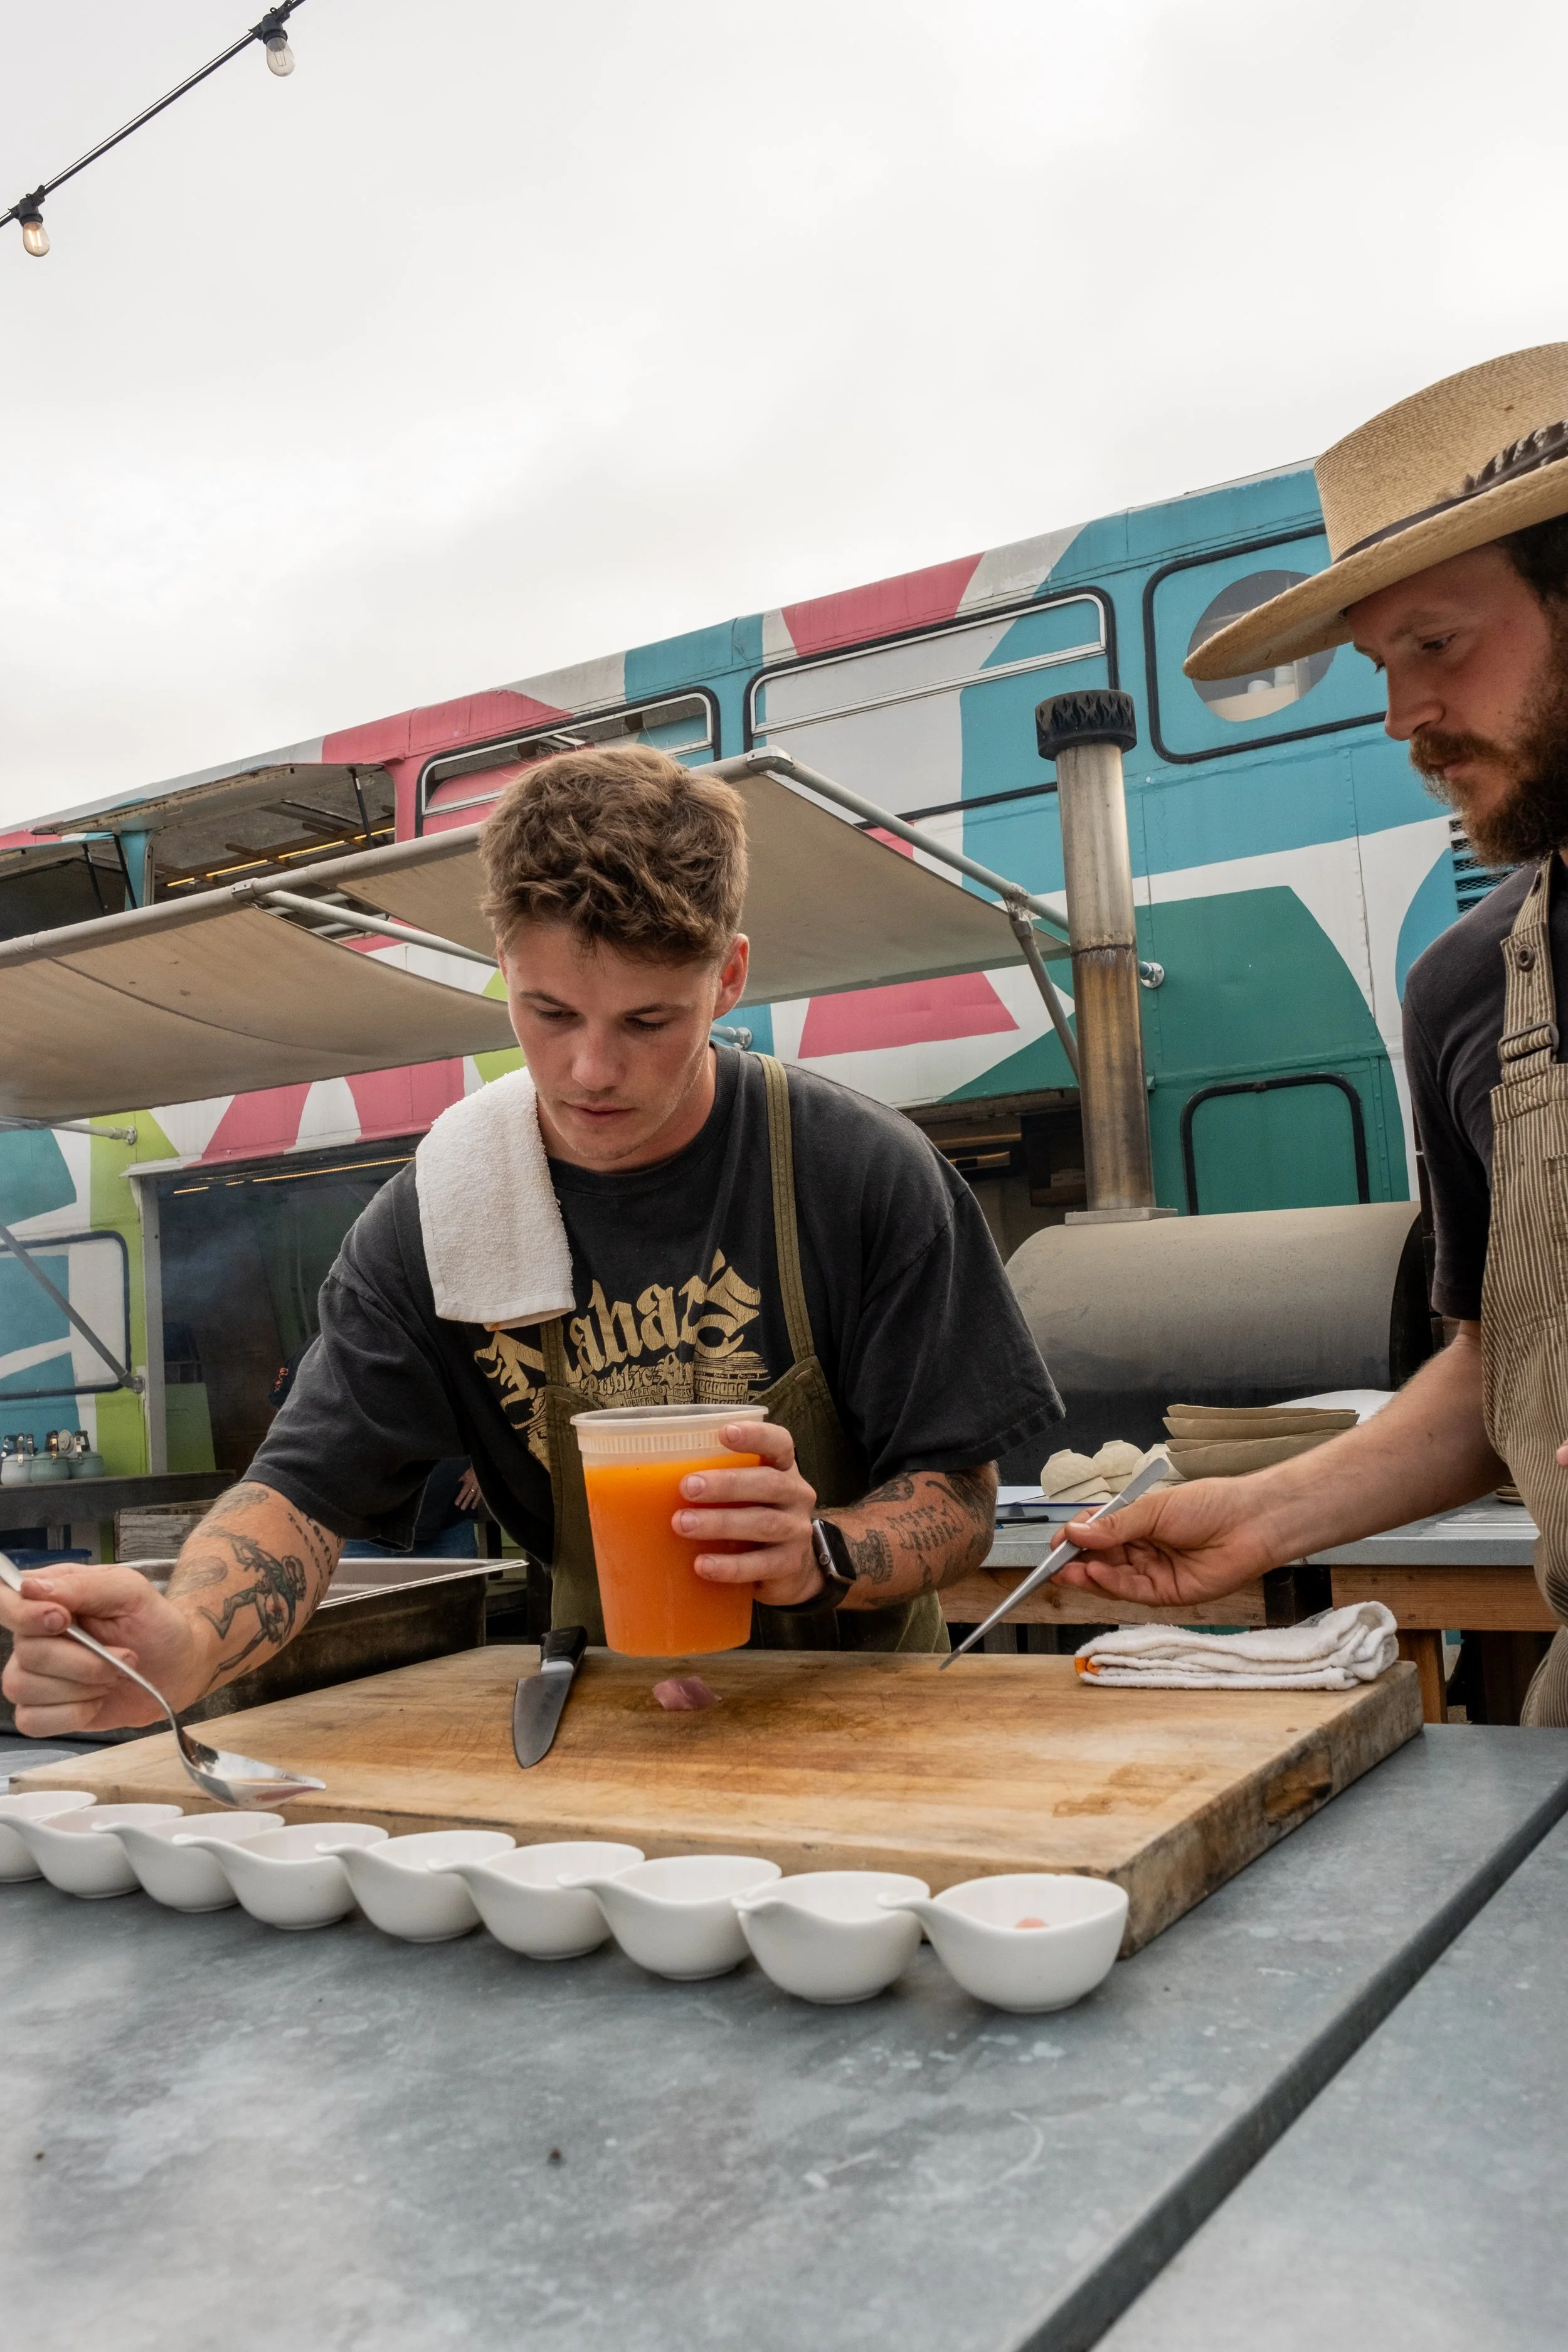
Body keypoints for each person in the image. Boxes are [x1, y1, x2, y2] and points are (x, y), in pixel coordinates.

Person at [1, 746, 1062, 1734]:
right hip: (607, 1718)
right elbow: (303, 1492)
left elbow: (959, 1500)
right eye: (550, 1011)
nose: (591, 1070)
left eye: (648, 1022)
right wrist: (183, 1646)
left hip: (867, 1715)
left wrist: (821, 1548)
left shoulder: (858, 1172)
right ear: (503, 961)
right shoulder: (440, 1210)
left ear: (728, 977)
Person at [1047, 343, 1568, 1728]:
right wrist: (1267, 1518)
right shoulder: (1471, 989)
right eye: (1379, 664)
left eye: (1437, 645)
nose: (1401, 719)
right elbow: (1494, 1373)